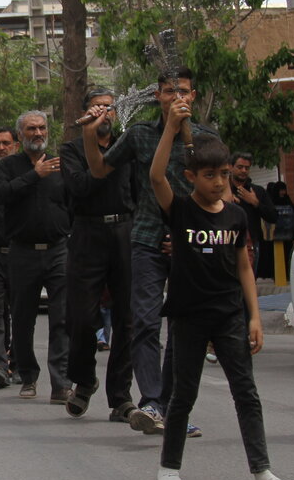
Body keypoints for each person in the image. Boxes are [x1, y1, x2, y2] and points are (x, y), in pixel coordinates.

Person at [149, 110, 294, 480]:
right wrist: (169, 127)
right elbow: (155, 176)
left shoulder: (234, 216)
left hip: (229, 315)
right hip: (188, 317)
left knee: (246, 392)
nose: (218, 182)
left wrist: (255, 318)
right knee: (184, 394)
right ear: (191, 177)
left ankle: (262, 469)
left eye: (224, 175)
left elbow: (244, 268)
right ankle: (169, 464)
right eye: (209, 175)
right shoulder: (180, 210)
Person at [83, 67, 218, 437]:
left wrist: (191, 235)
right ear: (156, 95)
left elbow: (215, 195)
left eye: (185, 92)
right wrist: (89, 134)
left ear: (194, 95)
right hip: (145, 237)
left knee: (183, 328)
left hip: (191, 243)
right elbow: (98, 169)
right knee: (143, 320)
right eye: (169, 92)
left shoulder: (206, 138)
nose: (177, 98)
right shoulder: (140, 134)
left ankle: (174, 407)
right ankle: (152, 402)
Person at [63, 90, 135, 420]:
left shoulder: (129, 144)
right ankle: (84, 379)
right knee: (80, 316)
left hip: (125, 231)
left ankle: (120, 397)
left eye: (110, 108)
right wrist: (93, 145)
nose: (105, 113)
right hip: (87, 232)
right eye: (98, 108)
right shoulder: (71, 150)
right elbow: (80, 187)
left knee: (127, 317)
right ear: (86, 113)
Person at [0, 110, 71, 403]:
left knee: (62, 318)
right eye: (31, 129)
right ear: (20, 135)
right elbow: (0, 194)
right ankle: (27, 375)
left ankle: (61, 382)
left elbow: (72, 201)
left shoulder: (61, 165)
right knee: (23, 318)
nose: (38, 133)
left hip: (58, 250)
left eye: (41, 128)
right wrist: (33, 176)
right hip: (23, 252)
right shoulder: (7, 167)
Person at [228, 152, 278, 280]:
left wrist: (255, 202)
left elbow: (273, 216)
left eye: (247, 167)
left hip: (250, 244)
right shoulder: (223, 189)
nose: (243, 171)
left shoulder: (257, 191)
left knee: (248, 283)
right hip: (226, 243)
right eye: (240, 167)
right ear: (230, 167)